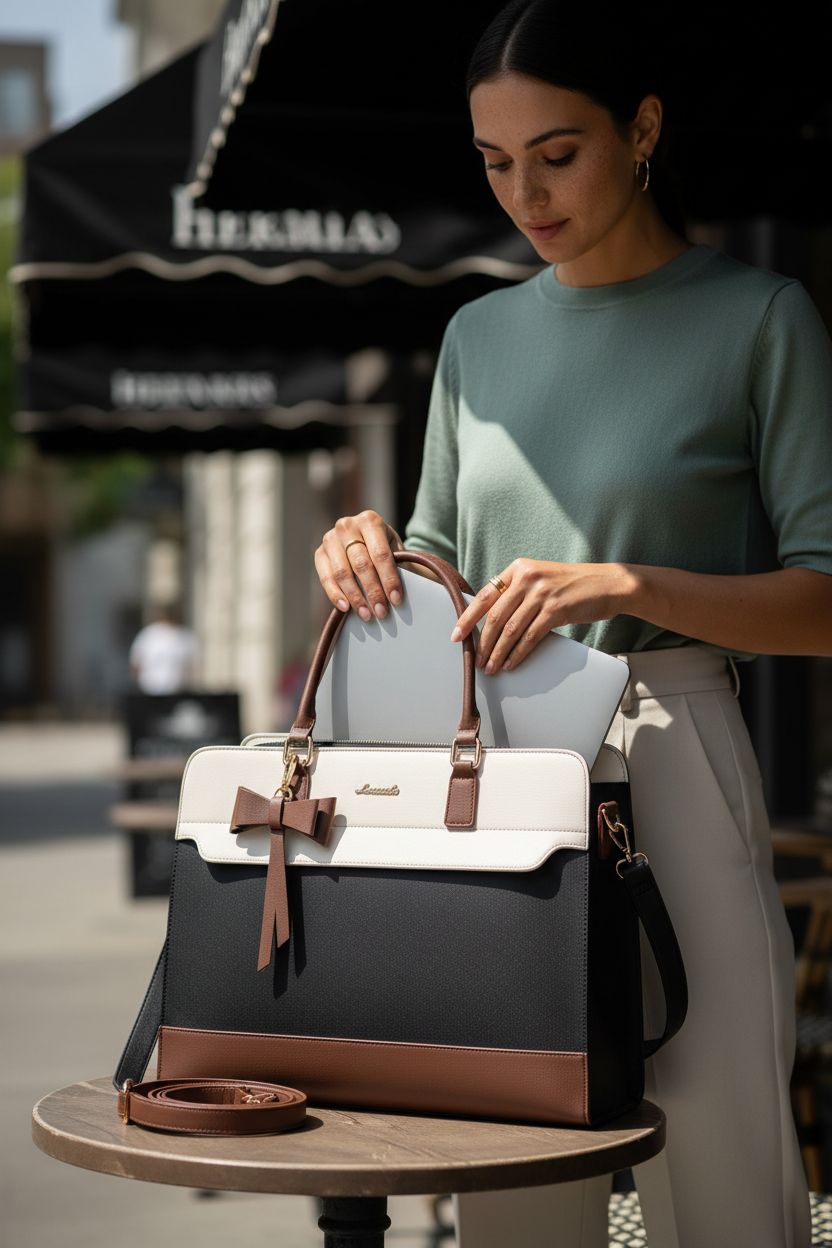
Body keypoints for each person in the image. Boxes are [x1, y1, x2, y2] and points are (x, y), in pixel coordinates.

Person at [313, 3, 832, 1244]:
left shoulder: (760, 320)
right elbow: (440, 552)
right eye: (495, 163)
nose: (524, 194)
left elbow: (822, 598)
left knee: (720, 1164)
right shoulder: (476, 338)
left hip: (677, 745)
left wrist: (627, 584)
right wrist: (367, 553)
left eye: (557, 153)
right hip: (498, 761)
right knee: (515, 1166)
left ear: (642, 128)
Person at [128, 605, 198, 695]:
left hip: (177, 690)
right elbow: (136, 663)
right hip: (150, 689)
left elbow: (191, 665)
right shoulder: (149, 634)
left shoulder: (186, 636)